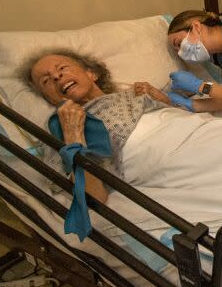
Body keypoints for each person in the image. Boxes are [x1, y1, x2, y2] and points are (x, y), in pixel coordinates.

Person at [23, 49, 175, 204]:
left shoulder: (135, 95)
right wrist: (73, 138)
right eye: (46, 81)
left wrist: (166, 102)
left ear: (91, 74)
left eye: (62, 68)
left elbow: (185, 119)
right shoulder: (60, 130)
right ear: (50, 100)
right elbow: (94, 198)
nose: (56, 76)